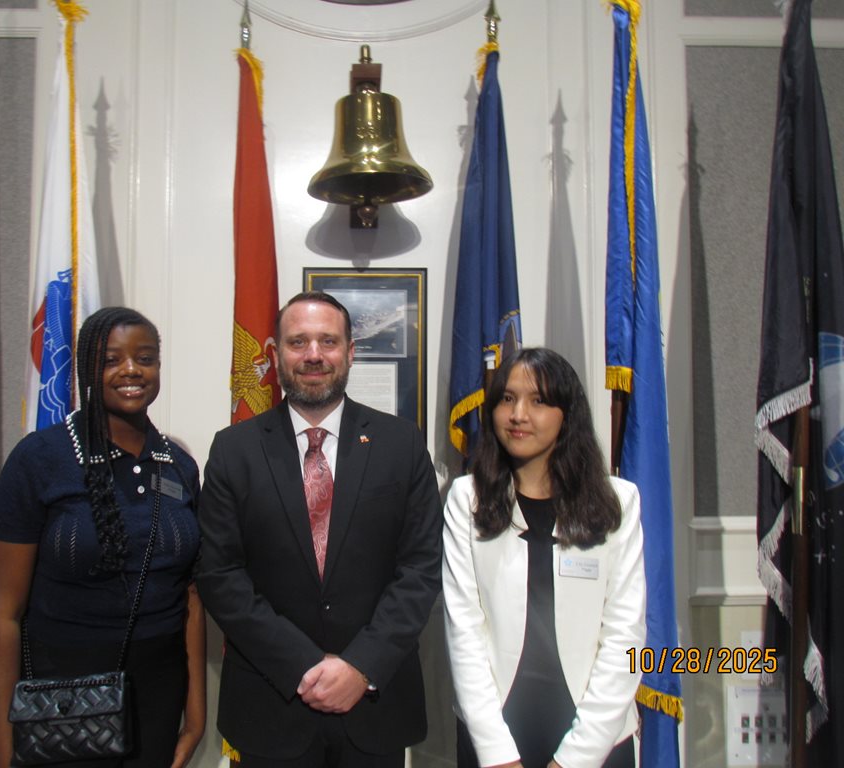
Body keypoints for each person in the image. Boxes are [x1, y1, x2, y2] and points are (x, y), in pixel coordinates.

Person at [196, 291, 442, 767]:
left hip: (374, 706)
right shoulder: (234, 450)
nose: (313, 355)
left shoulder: (402, 445)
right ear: (275, 354)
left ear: (350, 352)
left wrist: (360, 665)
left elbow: (420, 569)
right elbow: (220, 575)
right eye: (298, 342)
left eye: (328, 341)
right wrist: (302, 665)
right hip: (272, 706)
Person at [0, 307, 205, 768]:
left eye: (145, 358)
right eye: (111, 359)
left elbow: (191, 596)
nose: (131, 370)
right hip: (62, 692)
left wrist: (197, 715)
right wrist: (3, 752)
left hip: (159, 688)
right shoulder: (39, 459)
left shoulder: (180, 466)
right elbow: (3, 615)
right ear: (87, 367)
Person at [442, 347, 645, 768]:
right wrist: (496, 754)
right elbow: (464, 632)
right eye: (507, 399)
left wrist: (577, 758)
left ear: (567, 414)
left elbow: (625, 637)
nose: (518, 415)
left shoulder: (619, 501)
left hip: (597, 738)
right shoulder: (466, 498)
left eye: (538, 401)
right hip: (494, 737)